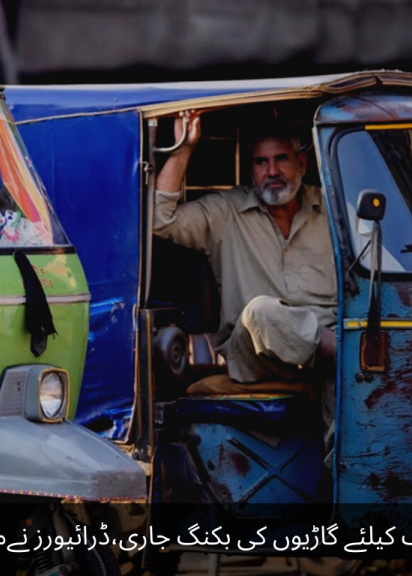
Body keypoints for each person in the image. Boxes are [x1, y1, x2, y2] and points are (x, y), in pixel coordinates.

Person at [153, 110, 338, 464]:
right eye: (261, 162)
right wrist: (183, 150)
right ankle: (340, 355)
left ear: (301, 162)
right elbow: (162, 220)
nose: (271, 171)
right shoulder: (227, 211)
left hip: (324, 354)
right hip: (257, 354)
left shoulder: (331, 210)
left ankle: (350, 488)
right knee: (261, 311)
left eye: (281, 159)